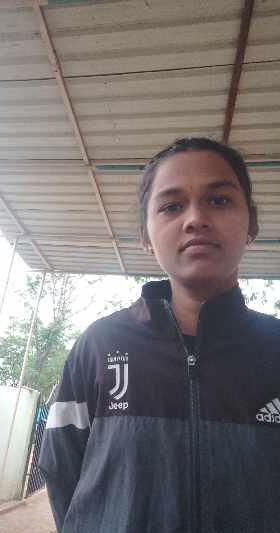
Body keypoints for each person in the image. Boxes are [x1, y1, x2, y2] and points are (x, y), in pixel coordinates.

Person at [39, 137, 280, 533]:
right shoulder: (100, 345)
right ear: (146, 236)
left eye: (219, 200)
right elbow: (62, 470)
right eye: (171, 206)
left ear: (251, 224)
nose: (195, 219)